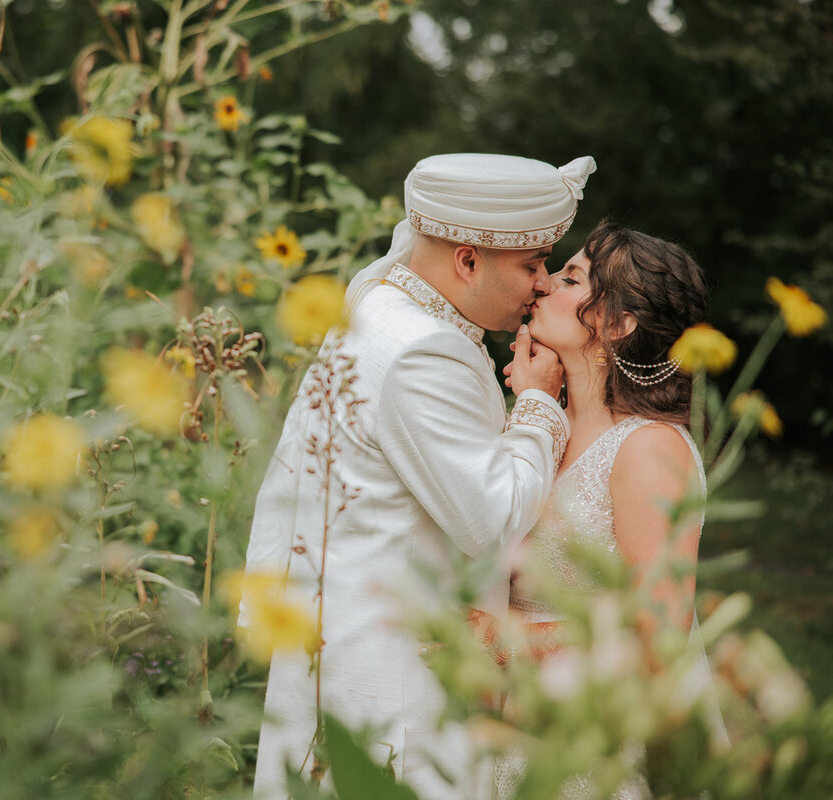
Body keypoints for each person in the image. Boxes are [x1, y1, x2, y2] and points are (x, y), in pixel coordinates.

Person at [239, 153, 597, 800]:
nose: (543, 283)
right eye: (531, 263)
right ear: (466, 260)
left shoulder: (381, 305)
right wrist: (540, 402)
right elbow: (492, 520)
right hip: (396, 674)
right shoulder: (422, 351)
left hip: (344, 637)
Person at [495, 222, 729, 799]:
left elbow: (660, 640)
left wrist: (511, 643)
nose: (544, 284)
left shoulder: (650, 449)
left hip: (595, 744)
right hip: (514, 729)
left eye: (571, 277)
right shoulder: (537, 427)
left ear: (618, 323)